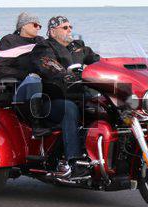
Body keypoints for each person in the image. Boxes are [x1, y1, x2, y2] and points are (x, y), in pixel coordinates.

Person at [30, 16, 100, 178]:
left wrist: (120, 67)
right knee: (69, 109)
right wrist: (66, 75)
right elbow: (49, 65)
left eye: (70, 27)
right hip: (52, 101)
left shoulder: (78, 46)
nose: (69, 30)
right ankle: (74, 161)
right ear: (53, 32)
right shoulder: (44, 47)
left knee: (104, 105)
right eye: (65, 27)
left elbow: (99, 62)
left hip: (79, 94)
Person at [0, 12, 44, 105]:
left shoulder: (40, 41)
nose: (38, 28)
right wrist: (26, 75)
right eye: (35, 25)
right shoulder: (9, 41)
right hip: (18, 86)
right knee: (33, 80)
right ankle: (34, 113)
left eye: (40, 26)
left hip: (42, 83)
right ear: (23, 25)